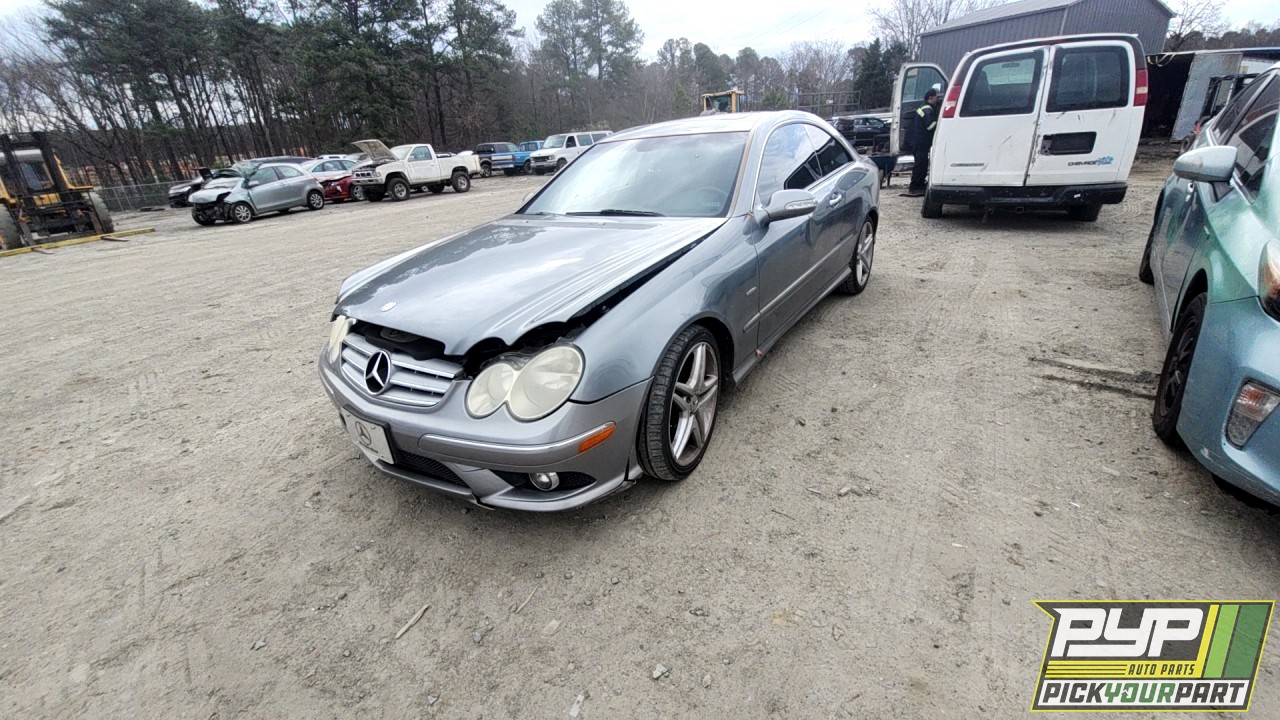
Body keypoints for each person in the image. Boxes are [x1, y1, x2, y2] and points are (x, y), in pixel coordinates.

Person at [904, 89, 941, 197]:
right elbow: (930, 126)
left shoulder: (924, 107)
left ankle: (919, 184)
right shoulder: (927, 110)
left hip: (918, 140)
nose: (937, 99)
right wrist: (940, 123)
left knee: (922, 163)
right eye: (936, 97)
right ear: (930, 97)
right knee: (920, 164)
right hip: (920, 141)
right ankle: (915, 186)